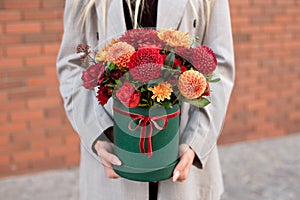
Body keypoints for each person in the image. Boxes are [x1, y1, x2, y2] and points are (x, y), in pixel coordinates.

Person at [56, 0, 235, 199]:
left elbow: (218, 63)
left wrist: (196, 141)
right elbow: (74, 62)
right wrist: (98, 135)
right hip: (114, 151)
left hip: (182, 144)